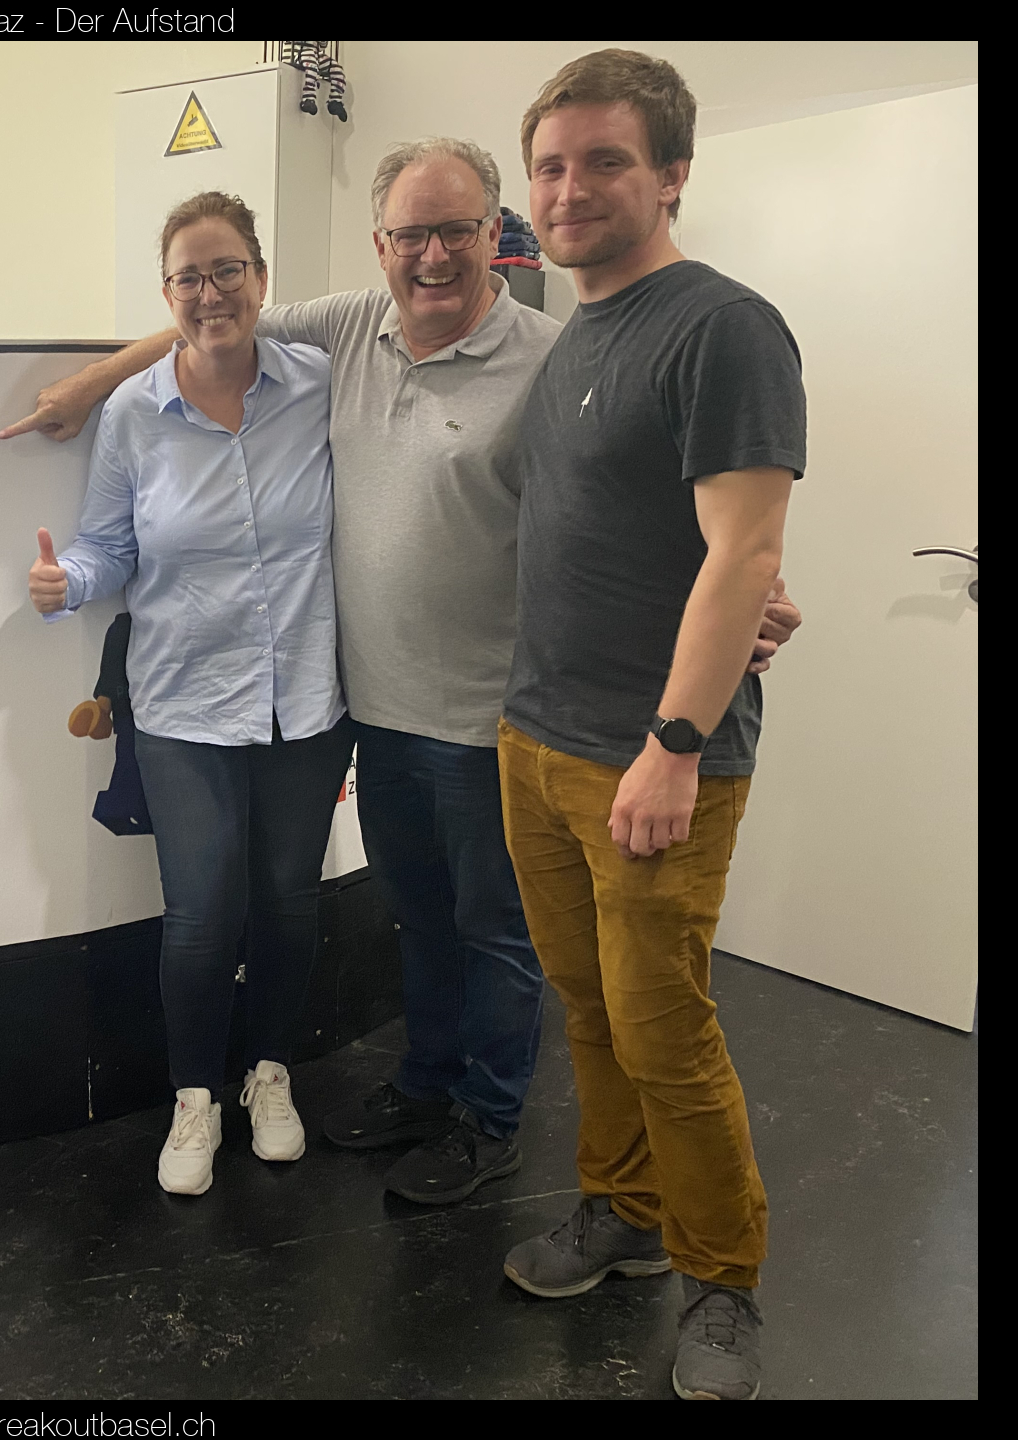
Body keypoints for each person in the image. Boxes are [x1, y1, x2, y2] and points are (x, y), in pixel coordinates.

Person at [3, 146, 803, 1209]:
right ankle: (424, 1085)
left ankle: (487, 1119)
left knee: (495, 937)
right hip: (374, 711)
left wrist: (741, 585)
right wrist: (91, 383)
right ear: (379, 246)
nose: (433, 256)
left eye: (457, 231)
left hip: (486, 714)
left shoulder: (551, 355)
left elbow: (634, 491)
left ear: (495, 236)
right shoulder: (347, 332)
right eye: (410, 236)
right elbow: (207, 324)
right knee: (415, 919)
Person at [494, 50, 804, 1402]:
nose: (570, 190)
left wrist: (675, 743)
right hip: (537, 737)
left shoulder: (722, 326)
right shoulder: (579, 330)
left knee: (665, 1027)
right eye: (551, 166)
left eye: (605, 161)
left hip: (656, 757)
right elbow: (652, 533)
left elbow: (745, 550)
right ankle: (622, 1209)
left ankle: (722, 1280)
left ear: (672, 174)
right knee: (589, 1009)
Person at [27, 191, 352, 1198]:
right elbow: (108, 544)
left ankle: (270, 1074)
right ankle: (195, 1097)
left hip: (305, 702)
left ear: (261, 278)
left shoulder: (319, 384)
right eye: (188, 279)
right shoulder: (134, 412)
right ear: (166, 293)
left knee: (288, 904)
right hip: (181, 706)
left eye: (227, 272)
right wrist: (68, 582)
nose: (210, 295)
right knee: (202, 914)